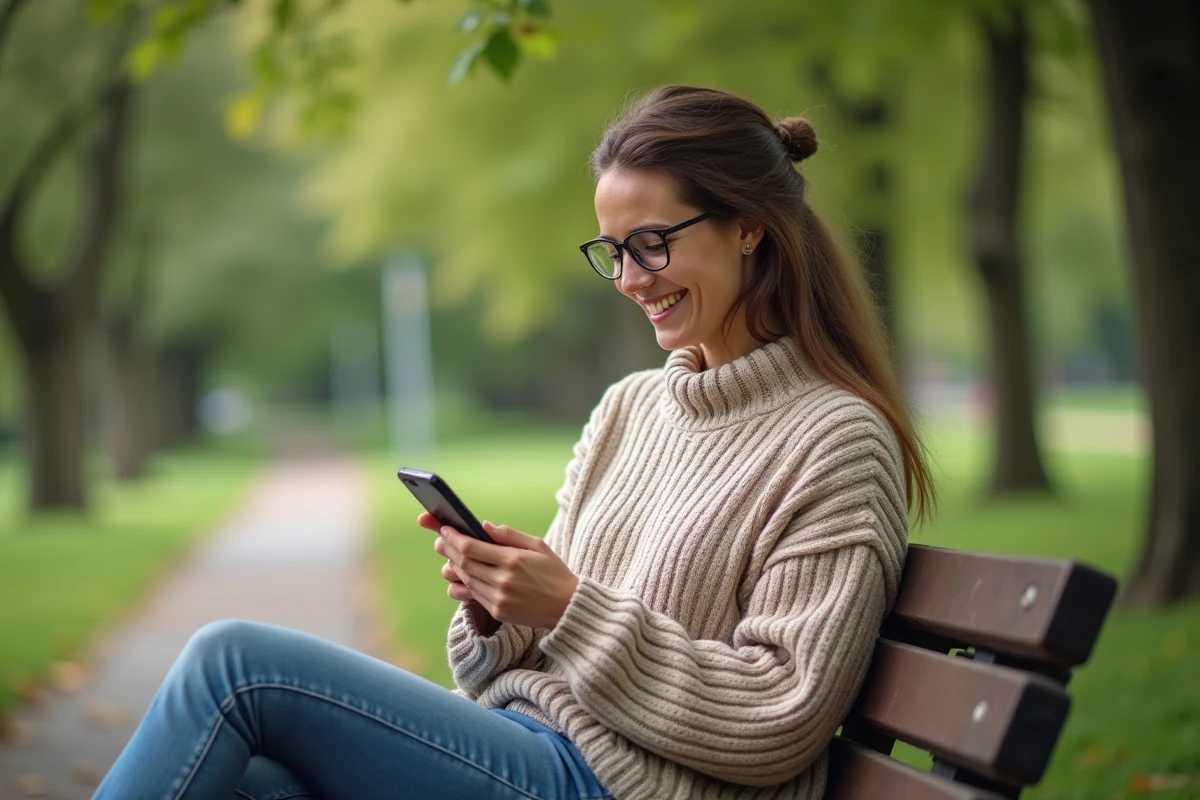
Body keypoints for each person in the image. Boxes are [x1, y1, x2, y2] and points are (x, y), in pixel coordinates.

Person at [94, 85, 933, 800]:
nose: (633, 279)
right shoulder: (631, 410)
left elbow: (779, 717)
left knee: (232, 665)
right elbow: (507, 667)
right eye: (614, 251)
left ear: (748, 226)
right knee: (247, 782)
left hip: (610, 784)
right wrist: (499, 611)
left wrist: (569, 607)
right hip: (530, 745)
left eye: (652, 243)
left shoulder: (836, 441)